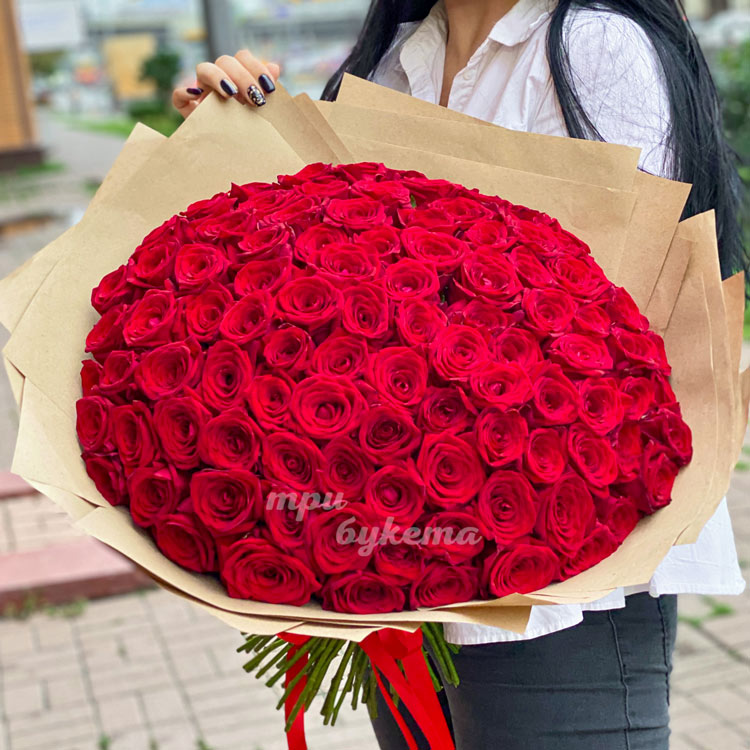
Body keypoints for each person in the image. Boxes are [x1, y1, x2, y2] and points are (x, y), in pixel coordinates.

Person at [174, 2, 747, 748]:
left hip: (564, 585)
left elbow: (616, 341)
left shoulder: (593, 49)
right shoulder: (395, 63)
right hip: (400, 574)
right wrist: (233, 156)